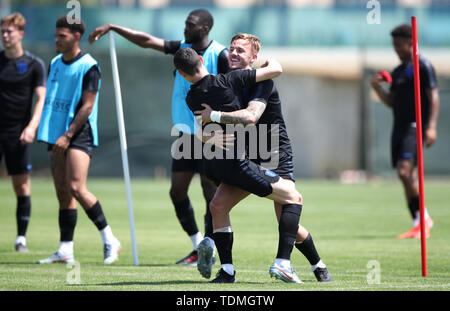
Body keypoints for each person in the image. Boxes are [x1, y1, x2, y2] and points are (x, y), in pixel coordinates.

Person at [88, 9, 230, 265]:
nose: (186, 28)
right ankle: (198, 244)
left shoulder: (220, 55)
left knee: (210, 192)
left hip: (209, 136)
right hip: (185, 135)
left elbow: (231, 91)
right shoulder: (182, 49)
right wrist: (114, 27)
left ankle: (211, 248)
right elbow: (148, 41)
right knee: (177, 192)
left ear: (205, 29)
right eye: (185, 23)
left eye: (191, 24)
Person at [195, 33, 331, 282]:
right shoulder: (226, 83)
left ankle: (314, 265)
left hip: (274, 155)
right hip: (246, 155)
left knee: (285, 218)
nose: (234, 54)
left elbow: (250, 116)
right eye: (232, 49)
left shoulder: (262, 81)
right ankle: (227, 272)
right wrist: (206, 136)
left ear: (253, 57)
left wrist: (213, 116)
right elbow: (201, 126)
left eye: (240, 51)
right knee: (217, 206)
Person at [174, 46, 303, 284]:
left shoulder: (191, 96)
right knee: (293, 197)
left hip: (212, 165)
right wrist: (269, 61)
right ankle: (283, 263)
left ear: (181, 75)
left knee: (217, 206)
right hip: (237, 163)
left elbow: (198, 129)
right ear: (202, 60)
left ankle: (226, 271)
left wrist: (208, 135)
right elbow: (275, 70)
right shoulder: (229, 79)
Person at [36, 16, 121, 264]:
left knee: (76, 187)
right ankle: (65, 250)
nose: (56, 40)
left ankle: (110, 240)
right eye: (56, 35)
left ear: (75, 37)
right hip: (55, 133)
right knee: (63, 192)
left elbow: (87, 106)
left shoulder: (89, 66)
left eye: (62, 36)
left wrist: (68, 135)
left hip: (78, 133)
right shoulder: (54, 62)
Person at [371, 24, 439, 239]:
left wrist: (431, 126)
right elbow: (391, 102)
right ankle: (419, 222)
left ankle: (424, 219)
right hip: (398, 128)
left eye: (399, 45)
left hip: (415, 126)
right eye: (394, 45)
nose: (396, 49)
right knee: (405, 176)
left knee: (403, 171)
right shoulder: (398, 71)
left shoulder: (423, 66)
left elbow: (433, 96)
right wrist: (376, 88)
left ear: (412, 43)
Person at [0, 12, 46, 253]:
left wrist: (31, 127)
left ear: (20, 33)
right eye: (3, 32)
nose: (5, 36)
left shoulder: (33, 65)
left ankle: (20, 239)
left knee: (21, 186)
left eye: (9, 31)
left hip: (18, 134)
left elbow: (41, 98)